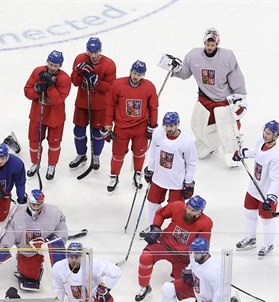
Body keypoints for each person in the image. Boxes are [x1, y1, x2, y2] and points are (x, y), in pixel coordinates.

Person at [165, 27, 248, 167]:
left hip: (223, 102)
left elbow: (237, 79)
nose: (210, 47)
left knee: (228, 130)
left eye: (213, 44)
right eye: (208, 44)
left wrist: (241, 99)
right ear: (204, 43)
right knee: (197, 127)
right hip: (204, 101)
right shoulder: (193, 56)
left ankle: (234, 154)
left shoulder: (227, 57)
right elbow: (184, 73)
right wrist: (172, 67)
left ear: (217, 44)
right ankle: (209, 146)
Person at [153, 238, 244, 302]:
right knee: (167, 289)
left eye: (196, 253)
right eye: (192, 252)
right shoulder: (195, 256)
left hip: (207, 299)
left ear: (205, 253)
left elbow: (222, 293)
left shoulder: (214, 271)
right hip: (195, 287)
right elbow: (192, 265)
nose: (193, 255)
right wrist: (188, 270)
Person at [0, 189, 67, 291]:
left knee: (60, 269)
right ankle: (23, 264)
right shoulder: (17, 212)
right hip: (26, 251)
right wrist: (3, 248)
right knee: (30, 276)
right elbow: (9, 231)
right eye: (34, 204)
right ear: (28, 202)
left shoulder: (54, 213)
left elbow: (61, 228)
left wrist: (48, 242)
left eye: (39, 204)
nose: (36, 207)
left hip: (44, 249)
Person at [135, 195, 213, 302]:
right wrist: (156, 228)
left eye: (193, 210)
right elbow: (160, 213)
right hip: (165, 244)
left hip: (184, 257)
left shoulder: (206, 223)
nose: (189, 211)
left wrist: (194, 267)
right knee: (145, 257)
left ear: (200, 212)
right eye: (188, 207)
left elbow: (203, 246)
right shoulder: (177, 206)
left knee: (178, 287)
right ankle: (144, 288)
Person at [104, 60, 158, 193]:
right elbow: (110, 104)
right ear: (130, 71)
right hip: (121, 127)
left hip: (140, 127)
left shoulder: (149, 87)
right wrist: (107, 124)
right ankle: (114, 175)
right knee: (117, 154)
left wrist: (152, 125)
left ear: (143, 75)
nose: (136, 76)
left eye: (139, 74)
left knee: (140, 153)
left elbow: (153, 108)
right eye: (134, 73)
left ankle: (138, 173)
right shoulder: (118, 84)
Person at [234, 120, 279, 258]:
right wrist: (242, 153)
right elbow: (256, 152)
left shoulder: (278, 154)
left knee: (266, 219)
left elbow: (277, 179)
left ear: (276, 136)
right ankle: (251, 238)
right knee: (249, 213)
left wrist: (271, 197)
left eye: (269, 133)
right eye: (265, 131)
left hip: (268, 191)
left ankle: (269, 244)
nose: (265, 135)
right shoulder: (260, 141)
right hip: (255, 186)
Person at [69, 37, 117, 170]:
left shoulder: (109, 64)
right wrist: (78, 73)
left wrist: (96, 81)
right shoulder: (80, 59)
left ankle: (96, 156)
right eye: (90, 52)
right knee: (78, 130)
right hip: (82, 102)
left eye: (96, 52)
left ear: (100, 51)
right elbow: (74, 82)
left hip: (100, 105)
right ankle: (81, 154)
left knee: (97, 133)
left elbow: (110, 88)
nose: (93, 55)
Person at [23, 50, 72, 180]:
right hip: (36, 115)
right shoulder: (37, 71)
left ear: (60, 66)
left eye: (55, 66)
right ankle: (35, 163)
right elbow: (27, 92)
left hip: (55, 118)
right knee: (34, 142)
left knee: (54, 144)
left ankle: (52, 165)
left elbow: (58, 101)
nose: (52, 68)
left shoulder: (65, 79)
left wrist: (50, 87)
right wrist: (37, 89)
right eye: (50, 64)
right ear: (47, 62)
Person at [143, 112, 198, 227]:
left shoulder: (187, 142)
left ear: (178, 124)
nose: (168, 128)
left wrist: (188, 182)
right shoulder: (158, 134)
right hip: (159, 177)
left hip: (176, 181)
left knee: (177, 208)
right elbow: (153, 153)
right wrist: (150, 170)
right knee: (152, 202)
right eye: (166, 126)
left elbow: (191, 163)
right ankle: (153, 227)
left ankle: (173, 230)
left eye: (171, 125)